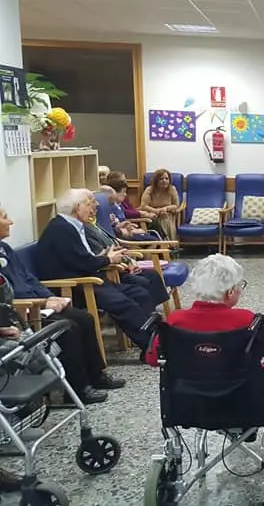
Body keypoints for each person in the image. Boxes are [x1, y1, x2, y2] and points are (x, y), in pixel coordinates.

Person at [0, 204, 125, 403]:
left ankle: (96, 375)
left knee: (85, 318)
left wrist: (49, 296)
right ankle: (77, 389)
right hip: (23, 312)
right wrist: (43, 301)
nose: (11, 222)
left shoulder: (4, 248)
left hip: (39, 302)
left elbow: (29, 278)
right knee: (69, 328)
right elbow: (10, 296)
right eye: (6, 217)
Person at [35, 189, 154, 350]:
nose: (93, 209)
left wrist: (103, 257)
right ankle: (151, 347)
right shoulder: (61, 229)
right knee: (124, 304)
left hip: (86, 278)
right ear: (78, 208)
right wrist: (108, 259)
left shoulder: (71, 225)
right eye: (90, 204)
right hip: (74, 286)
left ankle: (153, 339)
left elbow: (81, 258)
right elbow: (82, 262)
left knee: (140, 293)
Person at [144, 254, 264, 366]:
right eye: (239, 286)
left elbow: (152, 359)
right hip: (242, 399)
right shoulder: (248, 321)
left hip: (189, 403)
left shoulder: (175, 321)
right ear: (230, 292)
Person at [139, 168, 181, 239]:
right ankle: (159, 243)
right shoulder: (149, 189)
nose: (164, 181)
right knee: (158, 218)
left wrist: (166, 208)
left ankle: (168, 243)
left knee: (165, 218)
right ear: (156, 181)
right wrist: (156, 211)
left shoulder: (172, 189)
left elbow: (176, 205)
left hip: (167, 214)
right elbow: (143, 206)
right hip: (152, 214)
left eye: (166, 178)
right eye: (161, 179)